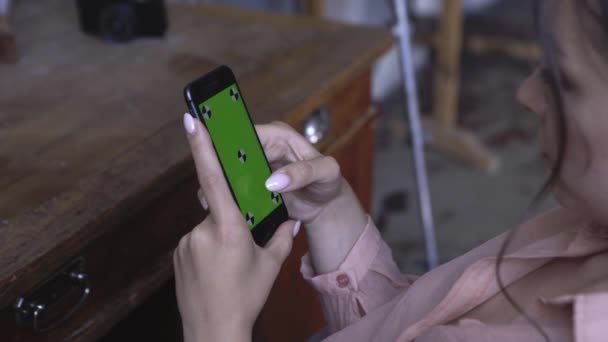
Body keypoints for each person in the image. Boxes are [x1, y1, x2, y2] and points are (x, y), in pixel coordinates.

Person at [173, 1, 608, 341]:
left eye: (564, 79)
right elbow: (405, 329)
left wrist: (215, 327)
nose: (526, 93)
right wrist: (331, 212)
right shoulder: (581, 223)